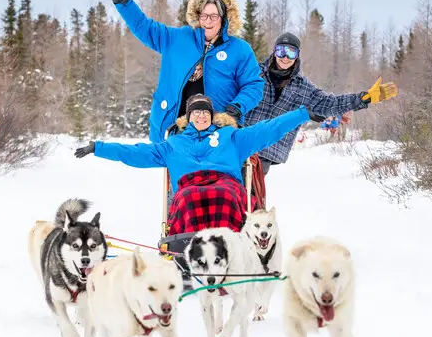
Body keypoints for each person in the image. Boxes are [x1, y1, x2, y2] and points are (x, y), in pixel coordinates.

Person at [74, 93, 311, 237]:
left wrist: (302, 114)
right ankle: (190, 243)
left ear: (211, 115)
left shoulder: (231, 136)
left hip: (226, 184)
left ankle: (229, 241)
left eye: (205, 112)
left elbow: (269, 129)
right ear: (188, 117)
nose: (201, 116)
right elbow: (135, 152)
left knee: (225, 194)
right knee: (187, 197)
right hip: (189, 188)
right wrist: (98, 147)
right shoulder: (173, 144)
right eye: (196, 112)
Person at [97, 0, 264, 143]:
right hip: (174, 131)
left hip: (218, 134)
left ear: (224, 19)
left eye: (214, 16)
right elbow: (144, 27)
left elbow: (253, 85)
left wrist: (236, 108)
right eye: (204, 16)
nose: (208, 21)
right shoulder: (177, 39)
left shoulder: (240, 49)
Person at [243, 31, 398, 174]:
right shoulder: (254, 73)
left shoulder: (303, 87)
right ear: (274, 52)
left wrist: (364, 98)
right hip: (241, 141)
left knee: (249, 186)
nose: (285, 57)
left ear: (297, 56)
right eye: (281, 51)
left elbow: (331, 104)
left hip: (268, 151)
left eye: (291, 52)